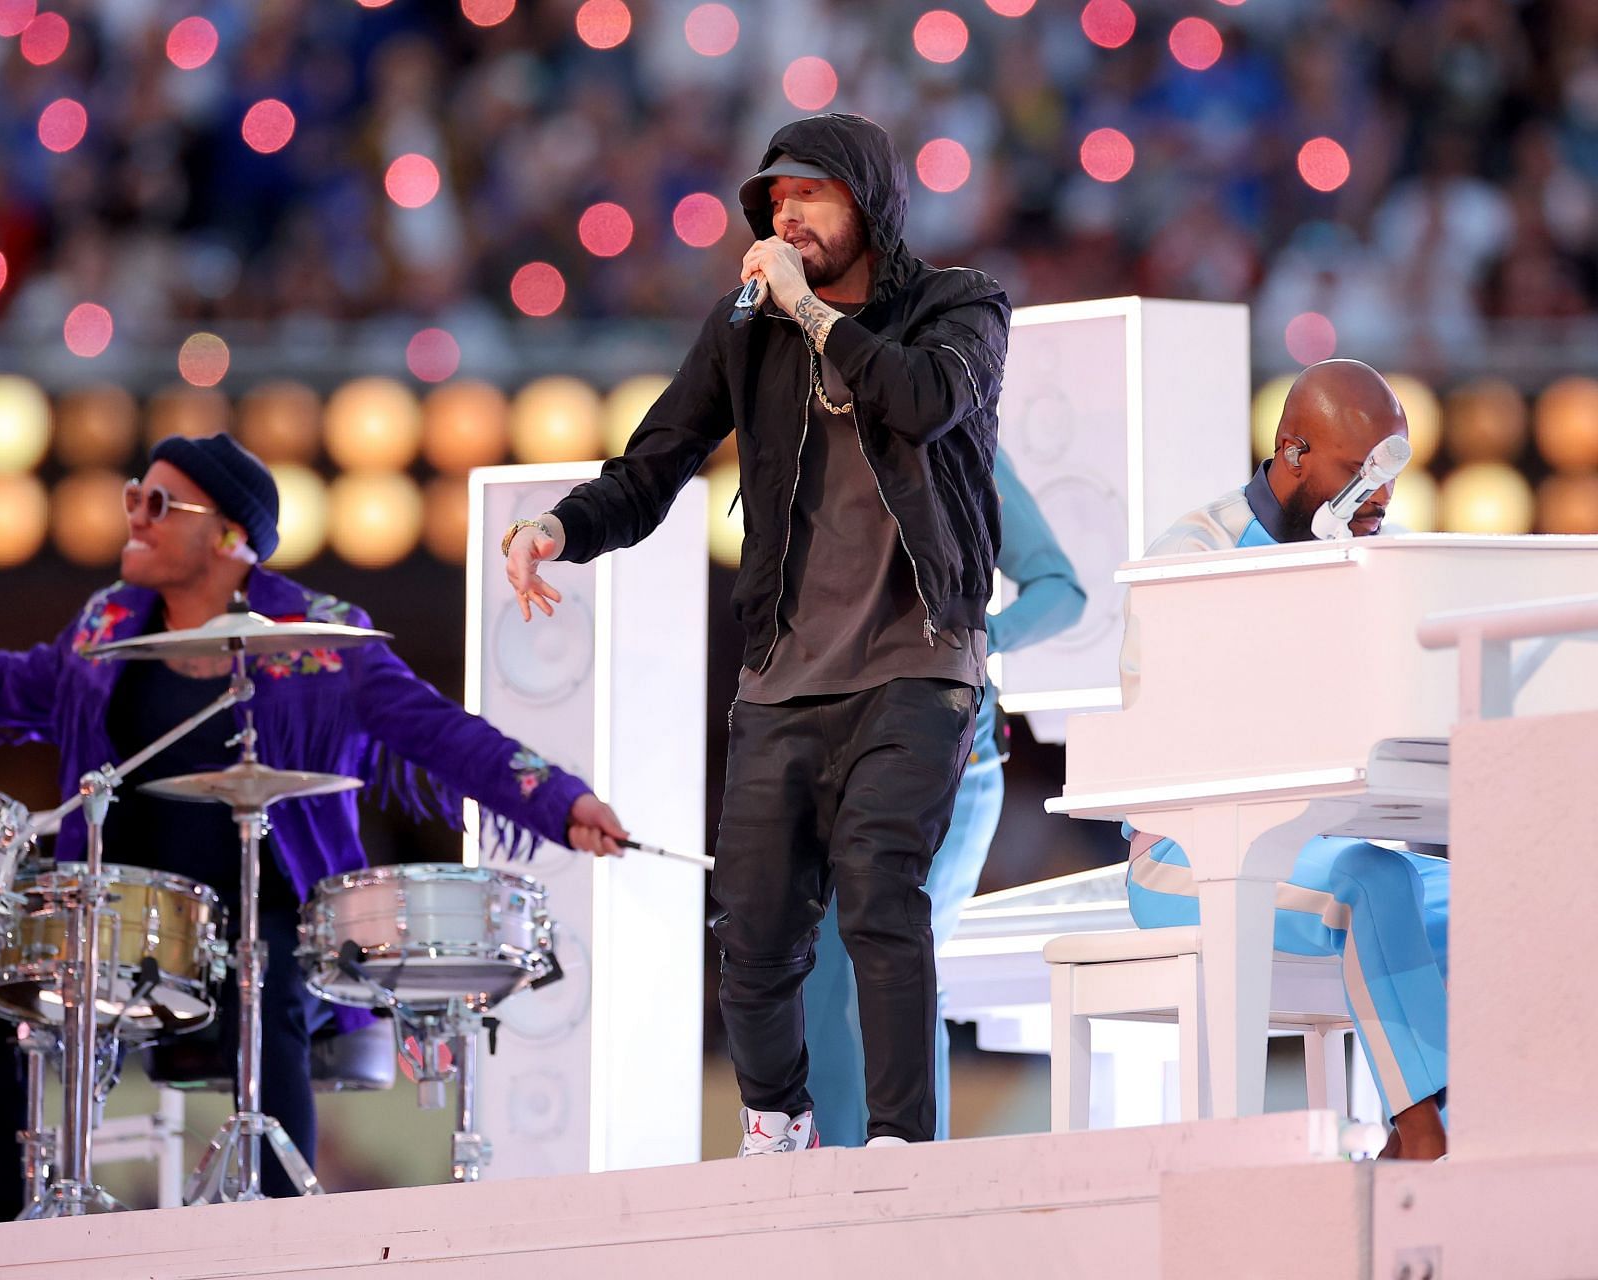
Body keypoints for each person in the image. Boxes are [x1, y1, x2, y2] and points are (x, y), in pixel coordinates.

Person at [0, 432, 629, 1210]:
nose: (132, 515)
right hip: (119, 919)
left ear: (228, 536)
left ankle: (281, 1229)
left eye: (156, 504)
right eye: (132, 495)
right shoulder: (106, 624)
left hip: (266, 917)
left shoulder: (324, 639)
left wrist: (563, 803)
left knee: (272, 983)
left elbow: (448, 736)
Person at [506, 113, 1011, 1151]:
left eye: (809, 197)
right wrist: (560, 525)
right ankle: (778, 1119)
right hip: (785, 670)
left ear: (867, 205)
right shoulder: (745, 323)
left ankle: (901, 1142)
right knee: (752, 927)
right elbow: (655, 463)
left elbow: (920, 401)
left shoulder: (959, 305)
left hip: (920, 655)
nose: (785, 218)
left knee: (879, 886)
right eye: (774, 203)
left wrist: (816, 319)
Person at [1121, 358, 1450, 1160]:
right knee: (1372, 883)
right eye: (1361, 469)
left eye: (1393, 468)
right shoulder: (1192, 557)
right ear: (1295, 452)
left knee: (1499, 892)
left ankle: (1476, 1125)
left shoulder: (1385, 555)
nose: (1381, 493)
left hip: (1336, 840)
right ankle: (1427, 1142)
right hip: (1187, 855)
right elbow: (1164, 755)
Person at [803, 454, 1084, 1146]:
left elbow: (1060, 587)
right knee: (815, 957)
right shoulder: (805, 436)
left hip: (954, 753)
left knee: (886, 947)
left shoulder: (961, 438)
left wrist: (979, 642)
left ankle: (904, 1176)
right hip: (833, 745)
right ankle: (833, 1178)